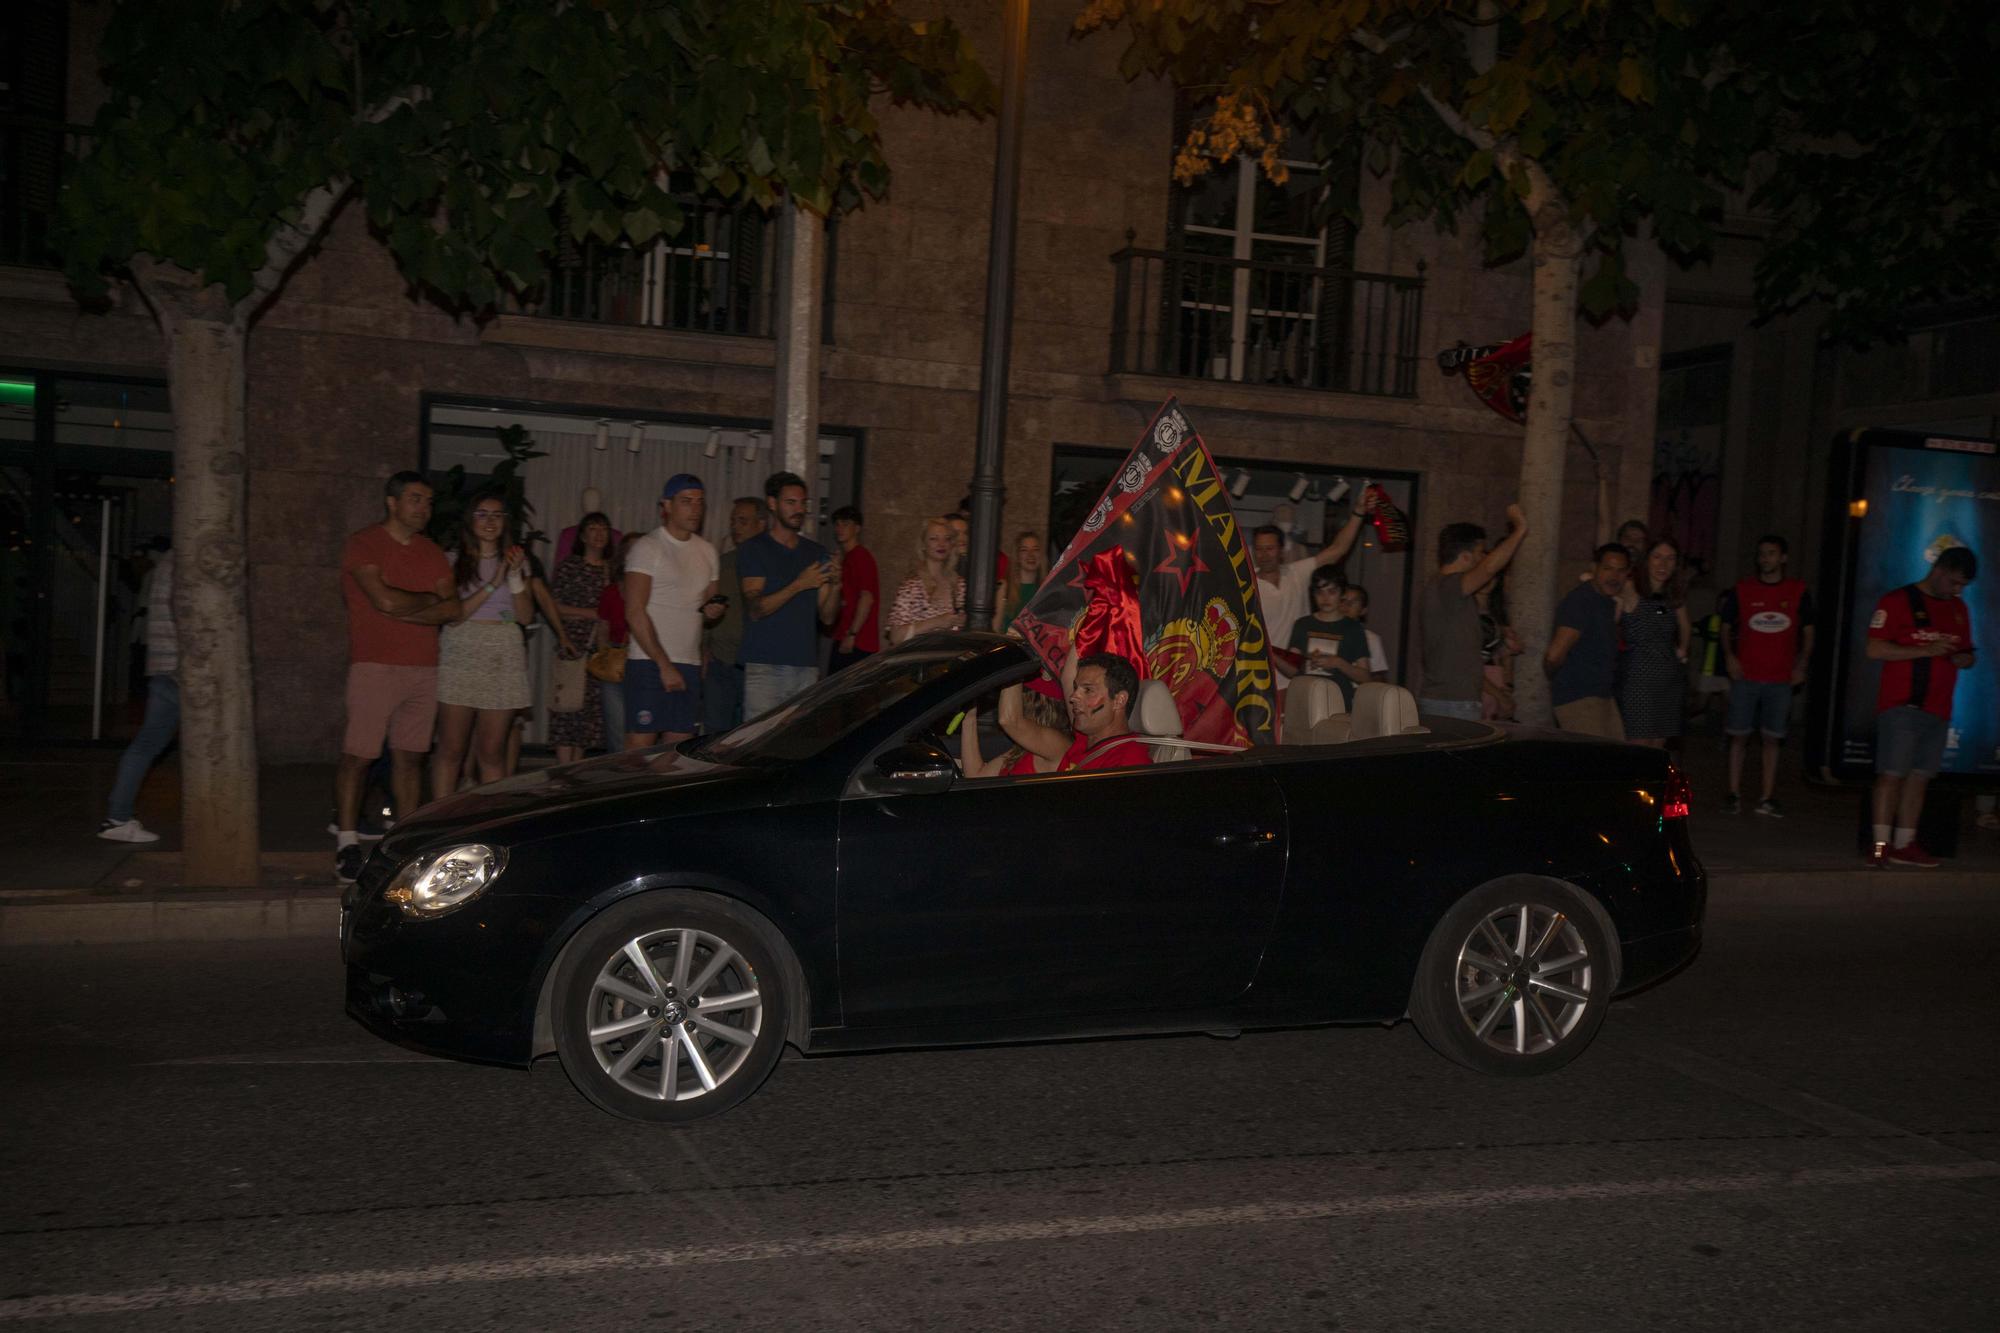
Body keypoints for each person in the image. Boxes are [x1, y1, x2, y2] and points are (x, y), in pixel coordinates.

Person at [335, 472, 459, 882]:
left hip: (423, 666)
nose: (424, 507)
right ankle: (347, 842)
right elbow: (381, 598)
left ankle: (405, 841)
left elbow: (452, 608)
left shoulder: (431, 552)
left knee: (410, 757)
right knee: (360, 755)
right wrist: (423, 603)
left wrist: (403, 606)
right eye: (416, 499)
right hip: (375, 663)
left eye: (428, 501)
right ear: (392, 502)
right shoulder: (364, 543)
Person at [1864, 545, 1977, 868]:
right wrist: (1925, 650)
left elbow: (1969, 653)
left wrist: (1962, 658)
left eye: (1963, 586)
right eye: (1954, 582)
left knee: (1919, 777)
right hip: (1902, 705)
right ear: (1938, 570)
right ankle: (1879, 846)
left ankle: (1904, 843)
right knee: (1891, 774)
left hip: (1939, 708)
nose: (1958, 590)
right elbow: (1874, 649)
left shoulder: (1958, 609)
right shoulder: (1897, 601)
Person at [431, 489, 535, 798]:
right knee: (452, 749)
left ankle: (488, 826)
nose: (490, 521)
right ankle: (439, 824)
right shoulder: (451, 560)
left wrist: (514, 576)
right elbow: (454, 616)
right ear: (470, 520)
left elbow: (526, 616)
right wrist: (494, 580)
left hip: (503, 652)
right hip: (461, 649)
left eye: (496, 515)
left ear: (505, 522)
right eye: (482, 514)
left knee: (492, 752)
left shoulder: (516, 560)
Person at [625, 474, 724, 749]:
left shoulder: (707, 551)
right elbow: (634, 612)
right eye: (686, 502)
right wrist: (663, 664)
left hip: (689, 664)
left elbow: (707, 606)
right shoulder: (648, 547)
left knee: (679, 753)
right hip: (649, 662)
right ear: (666, 505)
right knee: (639, 755)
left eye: (700, 502)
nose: (695, 509)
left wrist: (714, 609)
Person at [1719, 534, 1814, 816]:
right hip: (1747, 675)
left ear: (1783, 558)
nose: (1766, 559)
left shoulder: (1798, 591)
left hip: (1780, 678)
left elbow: (1809, 632)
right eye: (1762, 554)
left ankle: (1766, 797)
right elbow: (1725, 626)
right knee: (1738, 736)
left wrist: (1801, 665)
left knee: (1772, 738)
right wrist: (1729, 656)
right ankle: (1733, 793)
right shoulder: (1743, 589)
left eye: (1771, 554)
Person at [737, 471, 838, 717]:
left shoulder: (815, 552)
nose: (799, 509)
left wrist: (836, 584)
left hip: (805, 666)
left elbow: (827, 617)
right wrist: (799, 584)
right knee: (757, 742)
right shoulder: (755, 549)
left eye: (803, 503)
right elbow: (756, 609)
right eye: (790, 502)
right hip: (765, 665)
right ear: (772, 504)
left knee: (796, 744)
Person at [98, 546, 178, 843]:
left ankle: (117, 818)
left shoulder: (168, 563)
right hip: (182, 669)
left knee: (146, 744)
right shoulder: (187, 563)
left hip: (162, 666)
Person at [1418, 505, 1528, 721]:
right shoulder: (1447, 586)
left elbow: (1465, 657)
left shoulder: (1452, 592)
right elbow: (1489, 569)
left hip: (1454, 701)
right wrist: (1520, 529)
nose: (1484, 559)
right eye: (1480, 553)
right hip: (1451, 703)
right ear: (1466, 557)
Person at [1254, 502, 1369, 699]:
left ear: (1281, 550)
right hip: (1259, 681)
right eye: (1259, 549)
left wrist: (1358, 512)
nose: (1264, 555)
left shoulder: (1297, 573)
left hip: (1299, 682)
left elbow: (1338, 549)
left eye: (1270, 548)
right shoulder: (1246, 586)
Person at [999, 651, 1154, 772]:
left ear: (1119, 700)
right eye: (1075, 688)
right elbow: (1068, 675)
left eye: (1088, 690)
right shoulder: (1083, 741)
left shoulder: (1130, 760)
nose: (1073, 697)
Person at [548, 511, 615, 764]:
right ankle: (563, 772)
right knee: (567, 710)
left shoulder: (611, 570)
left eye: (603, 529)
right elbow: (554, 606)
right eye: (593, 529)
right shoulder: (570, 565)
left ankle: (576, 773)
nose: (599, 534)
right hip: (572, 644)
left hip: (599, 651)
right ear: (583, 535)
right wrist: (591, 613)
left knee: (589, 717)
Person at [1546, 543, 1632, 739]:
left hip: (1601, 695)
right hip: (1580, 698)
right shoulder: (1581, 601)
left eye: (1620, 571)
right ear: (1594, 568)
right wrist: (1563, 681)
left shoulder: (1605, 602)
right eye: (1608, 568)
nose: (1614, 576)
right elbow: (1553, 656)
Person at [1616, 537, 1692, 749]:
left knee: (1658, 745)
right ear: (1647, 560)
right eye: (1657, 557)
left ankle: (1650, 784)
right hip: (1639, 678)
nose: (1663, 564)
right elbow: (1602, 583)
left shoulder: (1672, 595)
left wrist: (1683, 650)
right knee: (1639, 744)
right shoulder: (1631, 588)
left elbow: (1685, 625)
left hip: (1667, 678)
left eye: (1670, 559)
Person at [703, 497, 761, 734]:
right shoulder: (722, 563)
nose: (735, 527)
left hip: (756, 666)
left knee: (749, 735)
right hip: (720, 662)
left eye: (743, 521)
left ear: (761, 524)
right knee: (715, 736)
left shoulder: (768, 564)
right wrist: (704, 649)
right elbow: (708, 607)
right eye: (733, 521)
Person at [1276, 567, 1371, 708]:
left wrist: (1339, 663)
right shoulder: (1302, 625)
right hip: (1305, 701)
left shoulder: (1353, 628)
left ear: (1342, 594)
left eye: (1332, 592)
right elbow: (1293, 670)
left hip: (1339, 704)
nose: (1325, 598)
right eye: (1319, 592)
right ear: (1313, 594)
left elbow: (1365, 677)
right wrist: (1272, 656)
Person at [959, 685, 1070, 778]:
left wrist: (1013, 674)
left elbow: (1010, 721)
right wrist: (969, 717)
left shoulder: (1059, 745)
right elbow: (976, 777)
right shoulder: (1022, 751)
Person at [889, 517, 966, 644]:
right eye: (934, 538)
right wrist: (937, 622)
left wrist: (963, 621)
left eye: (946, 539)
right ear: (923, 545)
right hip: (920, 658)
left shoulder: (959, 584)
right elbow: (896, 636)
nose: (941, 544)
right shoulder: (912, 586)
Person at [597, 534, 639, 745]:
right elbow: (603, 626)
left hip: (643, 660)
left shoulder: (655, 590)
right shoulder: (611, 591)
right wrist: (604, 654)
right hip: (614, 661)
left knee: (641, 727)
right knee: (616, 727)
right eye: (631, 549)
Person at [829, 504, 879, 673]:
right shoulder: (847, 558)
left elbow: (867, 598)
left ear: (857, 528)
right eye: (837, 524)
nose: (840, 528)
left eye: (846, 524)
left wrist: (852, 634)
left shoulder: (861, 557)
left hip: (858, 642)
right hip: (846, 636)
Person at [1476, 576, 1523, 721]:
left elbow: (1506, 656)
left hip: (1495, 680)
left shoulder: (1496, 613)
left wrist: (1507, 688)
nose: (1487, 581)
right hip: (1475, 683)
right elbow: (1465, 664)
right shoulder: (1464, 612)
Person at [1339, 583, 1391, 683]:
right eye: (1343, 601)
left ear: (1363, 610)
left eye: (1353, 602)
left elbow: (1378, 676)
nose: (1346, 606)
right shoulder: (1328, 633)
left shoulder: (1371, 639)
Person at [1002, 531, 1045, 624]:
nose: (1031, 554)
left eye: (1036, 549)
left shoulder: (1047, 591)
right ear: (1017, 556)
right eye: (1024, 550)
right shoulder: (1004, 589)